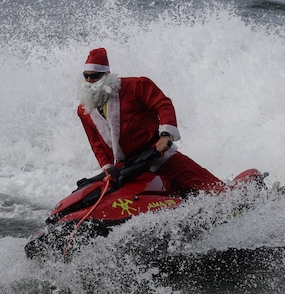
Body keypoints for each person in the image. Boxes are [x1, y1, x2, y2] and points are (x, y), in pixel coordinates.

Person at [77, 47, 230, 196]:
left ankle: (228, 196)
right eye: (86, 76)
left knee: (210, 187)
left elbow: (163, 104)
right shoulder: (84, 110)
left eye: (95, 76)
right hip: (126, 167)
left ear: (106, 75)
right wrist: (107, 168)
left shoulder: (136, 86)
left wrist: (165, 136)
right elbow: (96, 143)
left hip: (157, 154)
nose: (90, 80)